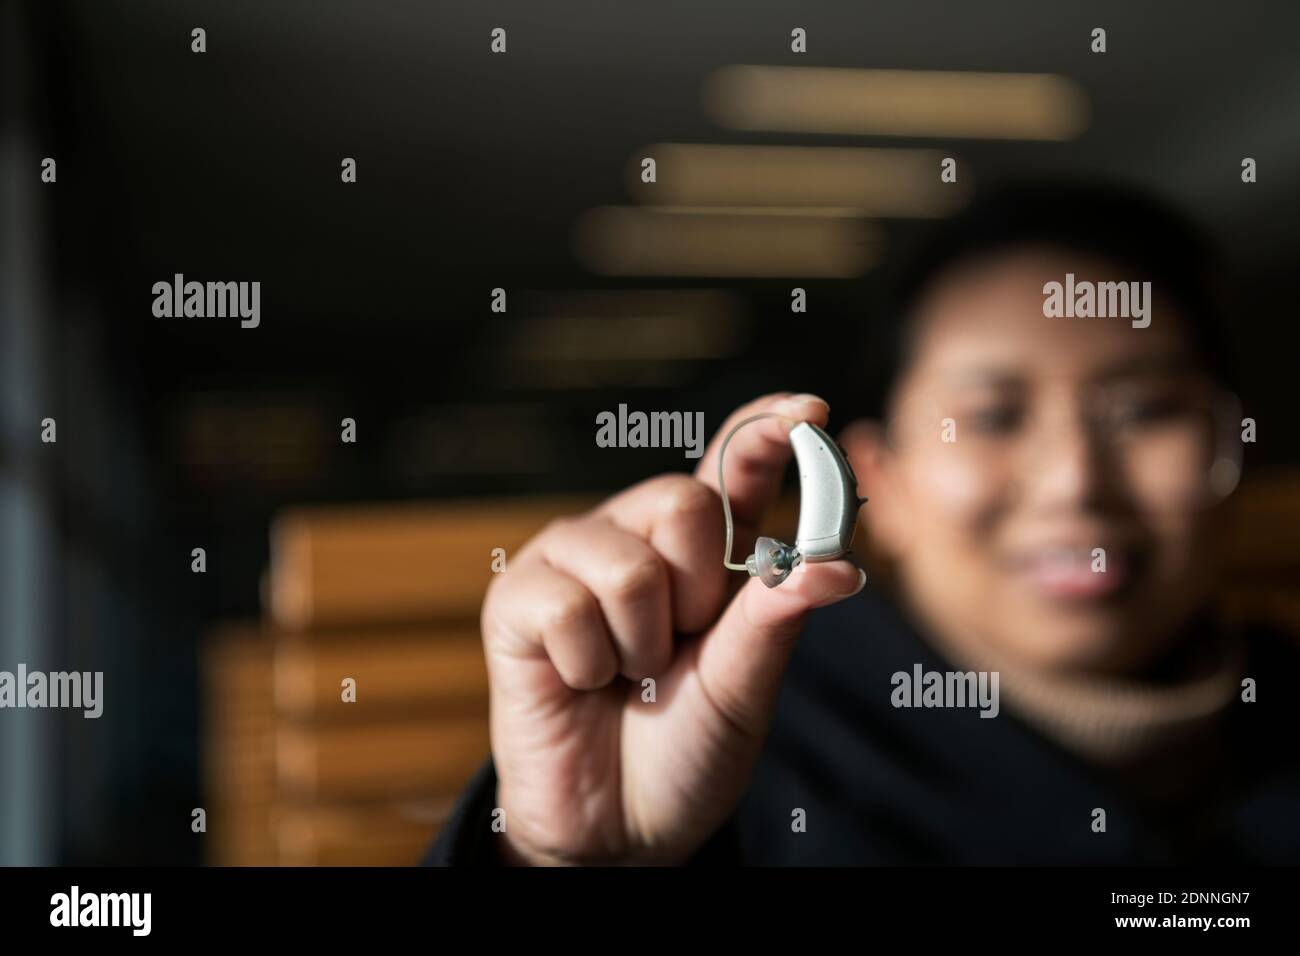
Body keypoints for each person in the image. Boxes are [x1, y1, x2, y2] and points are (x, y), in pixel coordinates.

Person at [424, 181, 1300, 865]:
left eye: (1145, 410)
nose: (1075, 483)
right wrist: (560, 863)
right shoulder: (723, 744)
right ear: (882, 482)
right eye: (991, 416)